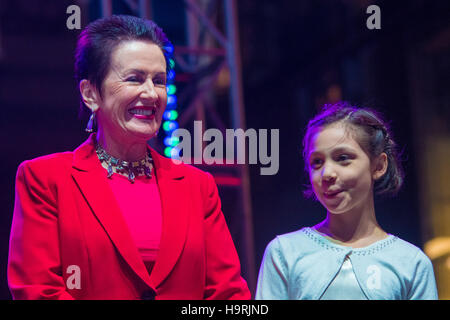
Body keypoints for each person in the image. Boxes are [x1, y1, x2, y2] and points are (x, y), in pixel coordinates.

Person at [8, 15, 250, 300]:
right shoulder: (46, 180)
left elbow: (228, 295)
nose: (151, 93)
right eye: (134, 78)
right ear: (90, 93)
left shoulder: (198, 186)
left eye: (159, 81)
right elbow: (39, 291)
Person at [255, 101, 438, 300]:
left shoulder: (411, 263)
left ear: (378, 166)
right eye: (317, 162)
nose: (327, 173)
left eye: (343, 158)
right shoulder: (285, 253)